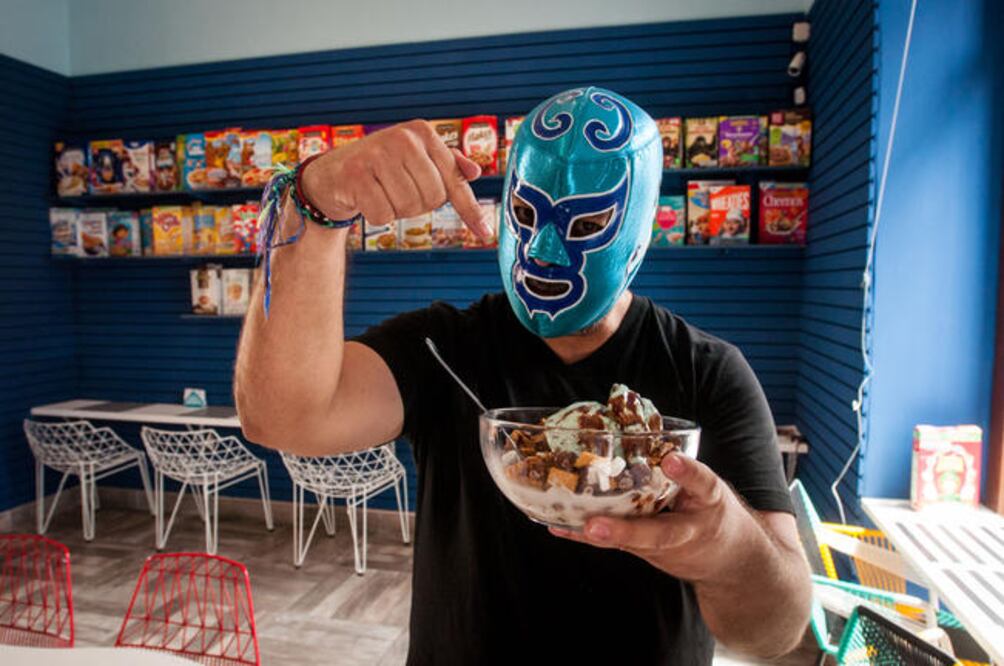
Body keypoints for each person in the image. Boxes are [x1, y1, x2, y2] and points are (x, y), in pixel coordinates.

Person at [235, 87, 812, 665]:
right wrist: (313, 204)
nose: (545, 251)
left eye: (586, 222)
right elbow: (280, 415)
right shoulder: (444, 348)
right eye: (527, 213)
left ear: (640, 227)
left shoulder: (707, 372)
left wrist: (728, 548)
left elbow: (773, 633)